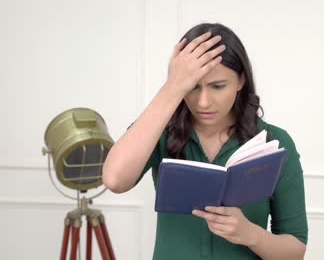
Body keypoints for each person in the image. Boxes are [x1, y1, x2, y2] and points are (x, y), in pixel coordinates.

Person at [103, 23, 308, 260]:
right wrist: (173, 87)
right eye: (192, 87)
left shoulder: (275, 141)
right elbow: (114, 180)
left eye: (218, 86)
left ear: (241, 80)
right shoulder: (160, 132)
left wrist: (250, 234)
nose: (203, 102)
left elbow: (295, 252)